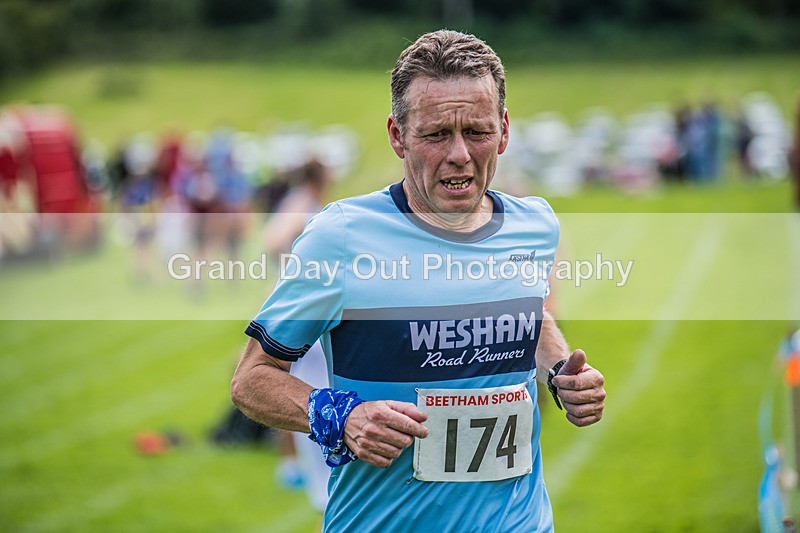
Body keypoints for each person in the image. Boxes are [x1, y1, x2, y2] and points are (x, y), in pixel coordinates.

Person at [231, 30, 606, 531]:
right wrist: (339, 417)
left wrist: (562, 373)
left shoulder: (534, 225)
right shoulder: (341, 237)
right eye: (435, 134)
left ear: (505, 130)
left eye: (477, 131)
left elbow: (526, 314)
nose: (458, 154)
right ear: (397, 135)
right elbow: (251, 380)